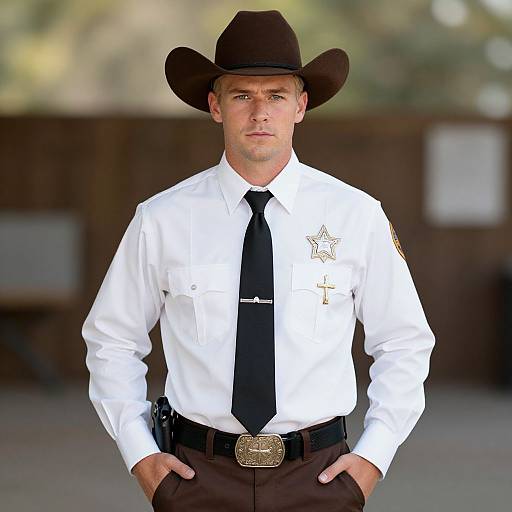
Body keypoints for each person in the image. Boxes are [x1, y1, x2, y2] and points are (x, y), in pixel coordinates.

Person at [82, 9, 436, 511]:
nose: (259, 112)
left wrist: (372, 459)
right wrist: (141, 456)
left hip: (321, 479)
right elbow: (111, 340)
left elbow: (404, 342)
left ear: (301, 105)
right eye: (242, 95)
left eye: (276, 95)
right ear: (215, 105)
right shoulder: (161, 218)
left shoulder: (357, 215)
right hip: (195, 478)